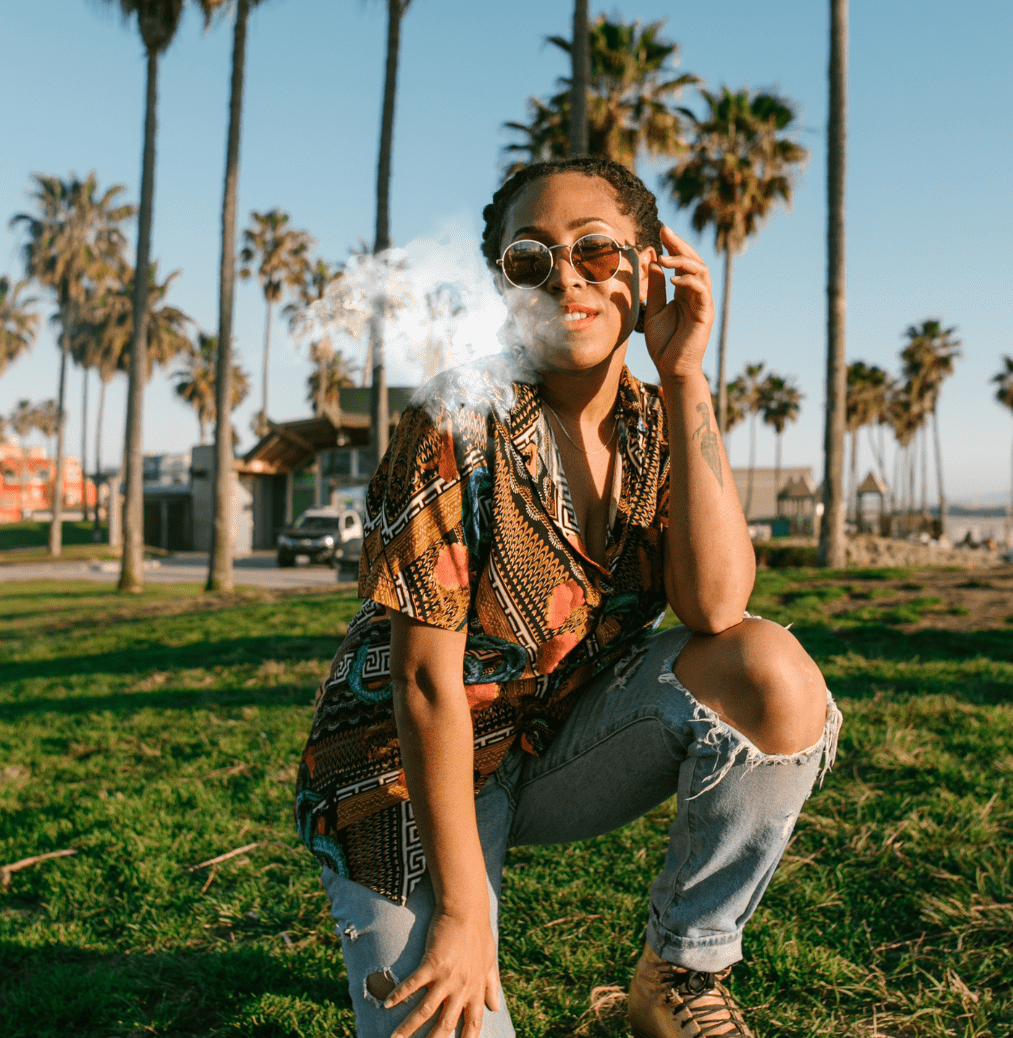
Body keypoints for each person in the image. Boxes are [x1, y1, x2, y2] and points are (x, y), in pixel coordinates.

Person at [295, 156, 842, 1038]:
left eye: (595, 250)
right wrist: (464, 915)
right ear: (504, 286)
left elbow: (716, 609)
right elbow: (423, 684)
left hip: (557, 743)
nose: (565, 278)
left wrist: (685, 374)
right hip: (402, 768)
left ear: (647, 268)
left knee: (769, 670)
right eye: (530, 258)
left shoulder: (656, 421)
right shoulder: (455, 420)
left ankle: (678, 974)